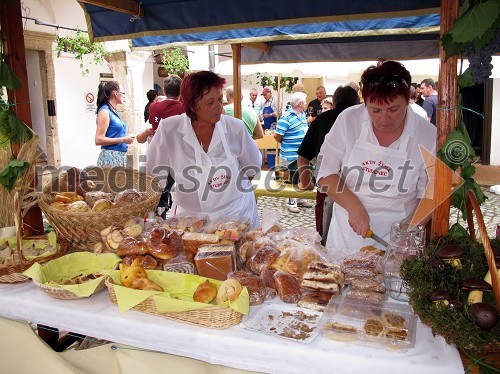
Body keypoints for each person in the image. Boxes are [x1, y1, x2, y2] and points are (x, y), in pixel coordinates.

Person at [316, 60, 436, 255]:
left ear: (408, 101)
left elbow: (430, 194)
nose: (384, 118)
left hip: (400, 239)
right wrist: (353, 205)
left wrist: (408, 232)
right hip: (347, 237)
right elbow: (324, 172)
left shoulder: (427, 135)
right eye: (375, 110)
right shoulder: (349, 121)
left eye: (393, 109)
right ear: (365, 103)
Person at [146, 71, 262, 228]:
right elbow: (153, 176)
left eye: (220, 99)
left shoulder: (235, 128)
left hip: (236, 214)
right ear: (192, 105)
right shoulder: (169, 129)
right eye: (210, 102)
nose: (219, 107)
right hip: (190, 220)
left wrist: (228, 190)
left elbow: (252, 167)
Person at [297, 86, 360, 242]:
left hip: (328, 189)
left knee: (324, 241)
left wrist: (305, 183)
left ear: (335, 101)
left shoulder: (323, 119)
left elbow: (303, 156)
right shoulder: (363, 120)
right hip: (360, 189)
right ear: (357, 101)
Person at [273, 91, 313, 213]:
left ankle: (300, 198)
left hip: (301, 154)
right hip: (290, 154)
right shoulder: (286, 117)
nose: (306, 103)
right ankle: (291, 202)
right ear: (300, 103)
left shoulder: (301, 114)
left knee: (301, 176)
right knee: (290, 178)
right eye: (304, 102)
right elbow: (277, 136)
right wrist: (287, 144)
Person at [95, 81, 134, 167]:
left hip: (119, 157)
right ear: (116, 94)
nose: (124, 96)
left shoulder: (113, 111)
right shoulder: (105, 111)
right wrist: (123, 139)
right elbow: (98, 139)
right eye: (122, 93)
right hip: (110, 157)